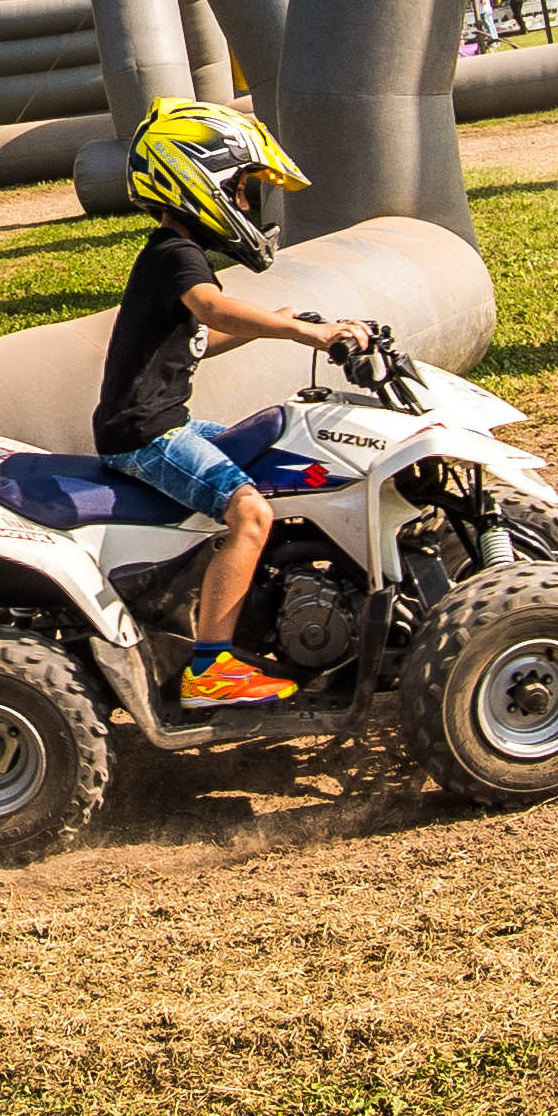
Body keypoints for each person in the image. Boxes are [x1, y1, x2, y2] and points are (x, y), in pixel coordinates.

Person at [98, 99, 383, 709]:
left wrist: (275, 323)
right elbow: (211, 309)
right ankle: (211, 670)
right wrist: (306, 333)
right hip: (146, 434)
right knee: (251, 512)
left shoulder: (171, 255)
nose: (246, 205)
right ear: (194, 182)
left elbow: (198, 337)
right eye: (239, 189)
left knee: (271, 457)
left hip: (160, 422)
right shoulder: (177, 256)